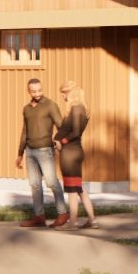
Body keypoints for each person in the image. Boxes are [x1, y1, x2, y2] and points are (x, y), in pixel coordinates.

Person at [15, 77, 67, 228]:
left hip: (45, 150)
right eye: (33, 91)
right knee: (35, 185)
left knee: (52, 182)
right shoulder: (26, 109)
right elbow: (24, 131)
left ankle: (63, 214)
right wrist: (20, 153)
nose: (37, 93)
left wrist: (58, 140)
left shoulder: (50, 105)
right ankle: (39, 216)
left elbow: (61, 126)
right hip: (30, 151)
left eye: (39, 90)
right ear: (28, 91)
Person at [53, 80, 98, 230]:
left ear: (72, 93)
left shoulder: (77, 109)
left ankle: (72, 222)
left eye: (64, 93)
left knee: (72, 189)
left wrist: (62, 142)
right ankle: (92, 220)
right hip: (73, 151)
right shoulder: (79, 109)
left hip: (70, 152)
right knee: (79, 188)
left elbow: (76, 132)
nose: (63, 97)